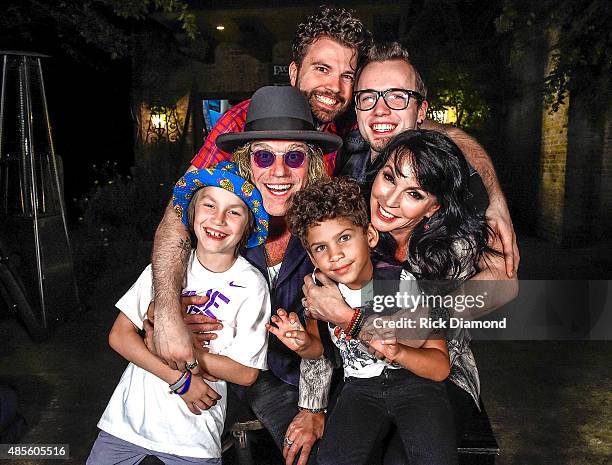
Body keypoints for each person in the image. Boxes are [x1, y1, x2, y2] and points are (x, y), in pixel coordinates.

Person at [148, 85, 342, 465]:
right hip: (208, 363)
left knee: (314, 455)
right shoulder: (220, 223)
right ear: (246, 164)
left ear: (313, 164)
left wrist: (313, 407)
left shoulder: (327, 232)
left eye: (295, 157)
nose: (279, 172)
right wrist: (162, 312)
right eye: (265, 156)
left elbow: (327, 334)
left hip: (283, 376)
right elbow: (154, 303)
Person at [303, 130, 518, 462]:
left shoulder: (453, 247)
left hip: (439, 372)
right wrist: (312, 405)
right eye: (389, 178)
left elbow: (505, 282)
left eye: (414, 193)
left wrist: (350, 315)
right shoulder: (349, 227)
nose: (390, 201)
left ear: (434, 207)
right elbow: (318, 317)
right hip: (362, 377)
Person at [87, 163, 271, 464]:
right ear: (192, 212)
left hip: (194, 431)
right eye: (209, 205)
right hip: (127, 421)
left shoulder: (252, 285)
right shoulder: (164, 268)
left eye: (234, 212)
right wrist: (181, 380)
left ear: (248, 225)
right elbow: (119, 336)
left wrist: (183, 349)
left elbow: (246, 372)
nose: (218, 219)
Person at [271, 176, 457, 465]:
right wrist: (300, 341)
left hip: (415, 383)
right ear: (311, 256)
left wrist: (399, 351)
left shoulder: (400, 282)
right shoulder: (320, 294)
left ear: (369, 236)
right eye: (321, 247)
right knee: (332, 459)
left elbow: (439, 367)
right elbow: (318, 350)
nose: (335, 255)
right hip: (360, 388)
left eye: (344, 237)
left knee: (433, 457)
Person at [336, 41, 519, 277]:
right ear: (357, 108)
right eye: (368, 97)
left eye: (397, 96)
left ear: (421, 111)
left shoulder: (453, 175)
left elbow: (503, 277)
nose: (380, 109)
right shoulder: (344, 160)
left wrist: (495, 199)